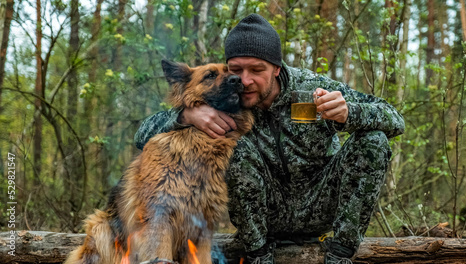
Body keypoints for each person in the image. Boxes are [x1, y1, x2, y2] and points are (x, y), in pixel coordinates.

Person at [135, 13, 404, 264]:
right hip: (264, 219)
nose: (245, 80)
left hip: (320, 203)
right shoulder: (224, 100)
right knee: (234, 147)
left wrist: (349, 112)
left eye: (257, 70)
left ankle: (340, 255)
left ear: (276, 68)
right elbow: (142, 135)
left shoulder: (312, 88)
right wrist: (185, 117)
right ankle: (259, 256)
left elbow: (394, 118)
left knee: (374, 141)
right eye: (236, 70)